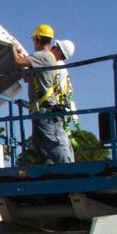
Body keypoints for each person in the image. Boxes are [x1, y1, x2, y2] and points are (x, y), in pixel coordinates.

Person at [11, 25, 74, 164]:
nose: (33, 43)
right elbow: (27, 78)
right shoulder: (46, 59)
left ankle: (69, 170)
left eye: (34, 40)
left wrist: (13, 48)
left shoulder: (43, 56)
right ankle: (50, 171)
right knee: (40, 144)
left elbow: (17, 62)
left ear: (38, 38)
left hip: (44, 110)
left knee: (51, 144)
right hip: (42, 110)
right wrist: (25, 60)